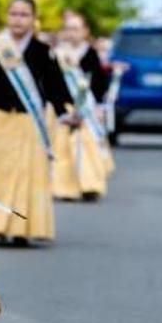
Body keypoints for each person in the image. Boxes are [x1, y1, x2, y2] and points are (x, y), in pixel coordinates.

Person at [0, 0, 74, 244]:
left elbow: (54, 85)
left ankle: (21, 229)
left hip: (28, 122)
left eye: (24, 14)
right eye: (14, 14)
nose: (18, 19)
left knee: (27, 175)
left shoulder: (42, 50)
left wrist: (64, 113)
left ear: (34, 20)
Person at [51, 12, 114, 201]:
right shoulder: (58, 53)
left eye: (76, 29)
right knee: (62, 149)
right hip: (64, 106)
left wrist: (100, 107)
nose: (72, 33)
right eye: (69, 29)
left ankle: (91, 185)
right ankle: (65, 188)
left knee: (88, 147)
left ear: (85, 31)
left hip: (87, 108)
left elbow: (100, 83)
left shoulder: (90, 53)